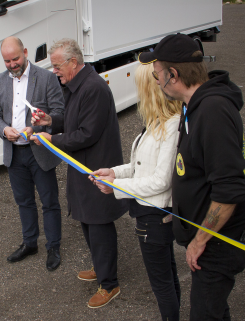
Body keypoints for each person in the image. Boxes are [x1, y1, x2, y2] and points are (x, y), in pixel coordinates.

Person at [139, 34, 245, 320]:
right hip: (210, 237)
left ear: (173, 75)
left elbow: (230, 190)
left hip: (219, 241)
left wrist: (200, 240)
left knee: (204, 314)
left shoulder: (213, 111)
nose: (156, 82)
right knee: (213, 310)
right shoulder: (193, 106)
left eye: (157, 76)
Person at [31, 38, 127, 308]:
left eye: (57, 66)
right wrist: (51, 121)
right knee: (87, 219)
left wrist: (51, 140)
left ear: (73, 62)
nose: (54, 72)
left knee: (98, 223)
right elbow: (74, 119)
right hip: (83, 167)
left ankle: (110, 284)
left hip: (96, 168)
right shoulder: (77, 85)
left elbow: (86, 133)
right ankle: (101, 267)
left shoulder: (93, 88)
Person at [90, 64, 182, 320]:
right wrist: (113, 172)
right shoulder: (157, 122)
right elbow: (139, 166)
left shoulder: (172, 126)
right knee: (168, 277)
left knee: (162, 284)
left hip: (155, 218)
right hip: (148, 215)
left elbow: (160, 181)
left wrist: (115, 188)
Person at [0, 37, 65, 271]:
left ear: (26, 52)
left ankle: (53, 246)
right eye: (7, 61)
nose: (12, 64)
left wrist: (38, 128)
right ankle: (30, 243)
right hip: (14, 153)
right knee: (24, 202)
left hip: (39, 151)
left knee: (49, 201)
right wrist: (3, 129)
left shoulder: (46, 78)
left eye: (16, 59)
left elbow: (59, 113)